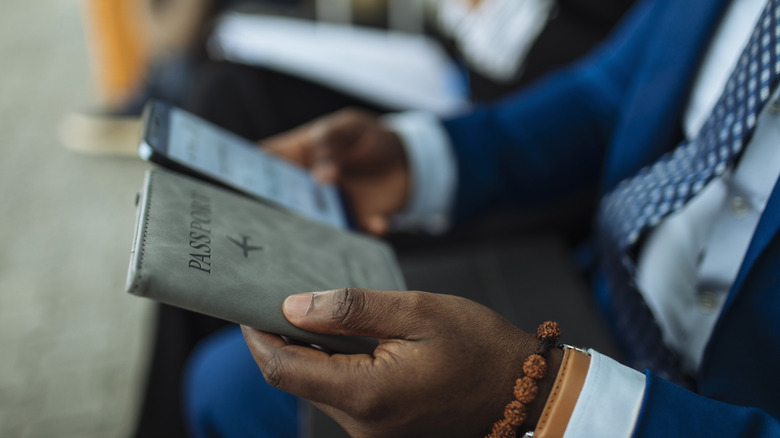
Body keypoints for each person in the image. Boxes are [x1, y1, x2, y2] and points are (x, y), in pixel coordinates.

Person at [185, 0, 780, 435]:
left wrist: (547, 401)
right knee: (226, 374)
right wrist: (420, 160)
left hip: (703, 409)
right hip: (598, 294)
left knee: (241, 389)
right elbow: (607, 95)